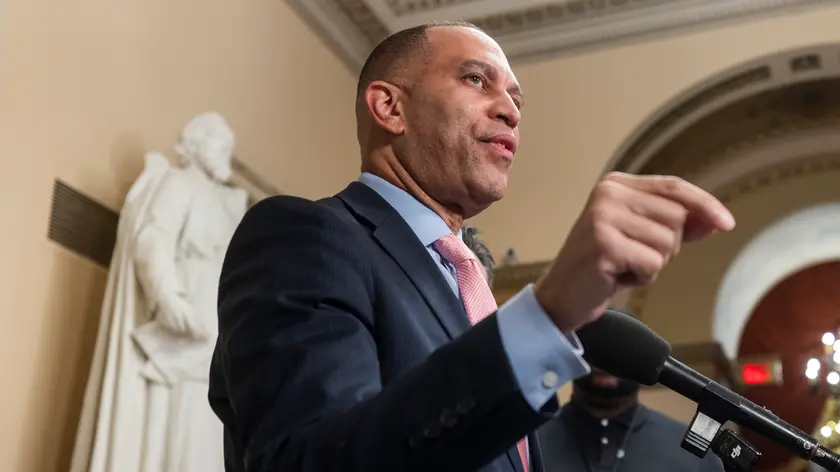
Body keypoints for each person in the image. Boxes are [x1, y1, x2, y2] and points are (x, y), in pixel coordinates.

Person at [207, 20, 736, 472]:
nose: (510, 111)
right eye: (477, 79)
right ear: (390, 107)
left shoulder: (469, 283)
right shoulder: (304, 237)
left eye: (516, 99)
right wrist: (547, 314)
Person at [71, 112, 247, 472]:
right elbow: (153, 240)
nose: (226, 153)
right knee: (168, 437)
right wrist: (169, 299)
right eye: (221, 144)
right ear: (198, 144)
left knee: (204, 437)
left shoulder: (225, 204)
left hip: (214, 338)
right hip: (182, 334)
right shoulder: (179, 185)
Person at [538, 355, 725, 472]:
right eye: (598, 348)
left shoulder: (691, 452)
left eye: (620, 349)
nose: (607, 361)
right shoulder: (530, 442)